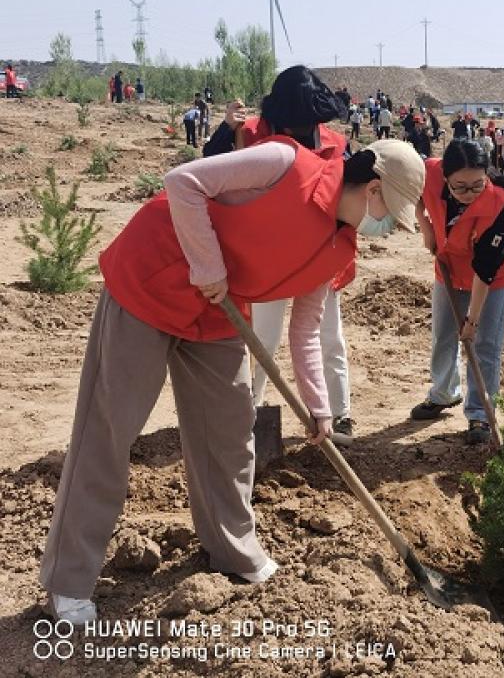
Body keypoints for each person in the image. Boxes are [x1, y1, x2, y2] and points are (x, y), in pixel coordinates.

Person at [38, 65, 426, 626]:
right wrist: (207, 262)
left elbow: (306, 329)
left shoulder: (340, 251)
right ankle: (68, 580)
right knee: (108, 430)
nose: (387, 227)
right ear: (371, 190)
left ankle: (232, 549)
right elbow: (183, 183)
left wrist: (318, 406)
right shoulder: (286, 164)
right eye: (389, 213)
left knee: (228, 434)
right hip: (151, 284)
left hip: (218, 313)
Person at [202, 68, 385, 440]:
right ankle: (249, 412)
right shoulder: (252, 133)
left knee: (327, 337)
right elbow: (210, 167)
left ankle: (339, 414)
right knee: (261, 340)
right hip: (268, 259)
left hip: (320, 256)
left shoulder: (334, 142)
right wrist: (225, 130)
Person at [411, 140, 504, 443]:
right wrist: (425, 227)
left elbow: (485, 270)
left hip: (491, 279)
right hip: (447, 266)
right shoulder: (428, 172)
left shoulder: (500, 207)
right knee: (443, 335)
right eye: (460, 187)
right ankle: (444, 392)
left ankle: (479, 415)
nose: (469, 195)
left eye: (477, 185)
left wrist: (472, 321)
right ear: (445, 177)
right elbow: (414, 193)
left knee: (484, 344)